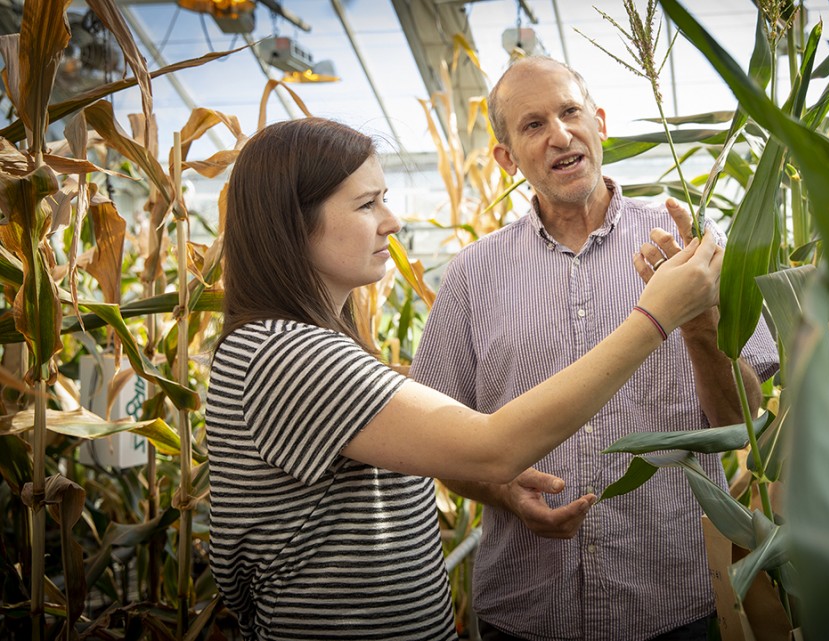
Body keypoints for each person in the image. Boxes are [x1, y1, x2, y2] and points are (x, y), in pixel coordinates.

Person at [204, 117, 725, 641]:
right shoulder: (287, 356)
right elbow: (493, 447)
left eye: (384, 198)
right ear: (292, 223)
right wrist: (655, 317)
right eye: (367, 205)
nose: (392, 221)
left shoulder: (300, 348)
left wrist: (501, 486)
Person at [410, 57, 779, 641]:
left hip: (669, 606)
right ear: (507, 158)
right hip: (526, 612)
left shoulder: (689, 246)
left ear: (599, 123)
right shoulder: (472, 276)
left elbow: (741, 421)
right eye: (532, 125)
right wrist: (503, 490)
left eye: (570, 111)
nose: (559, 134)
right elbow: (440, 444)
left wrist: (700, 323)